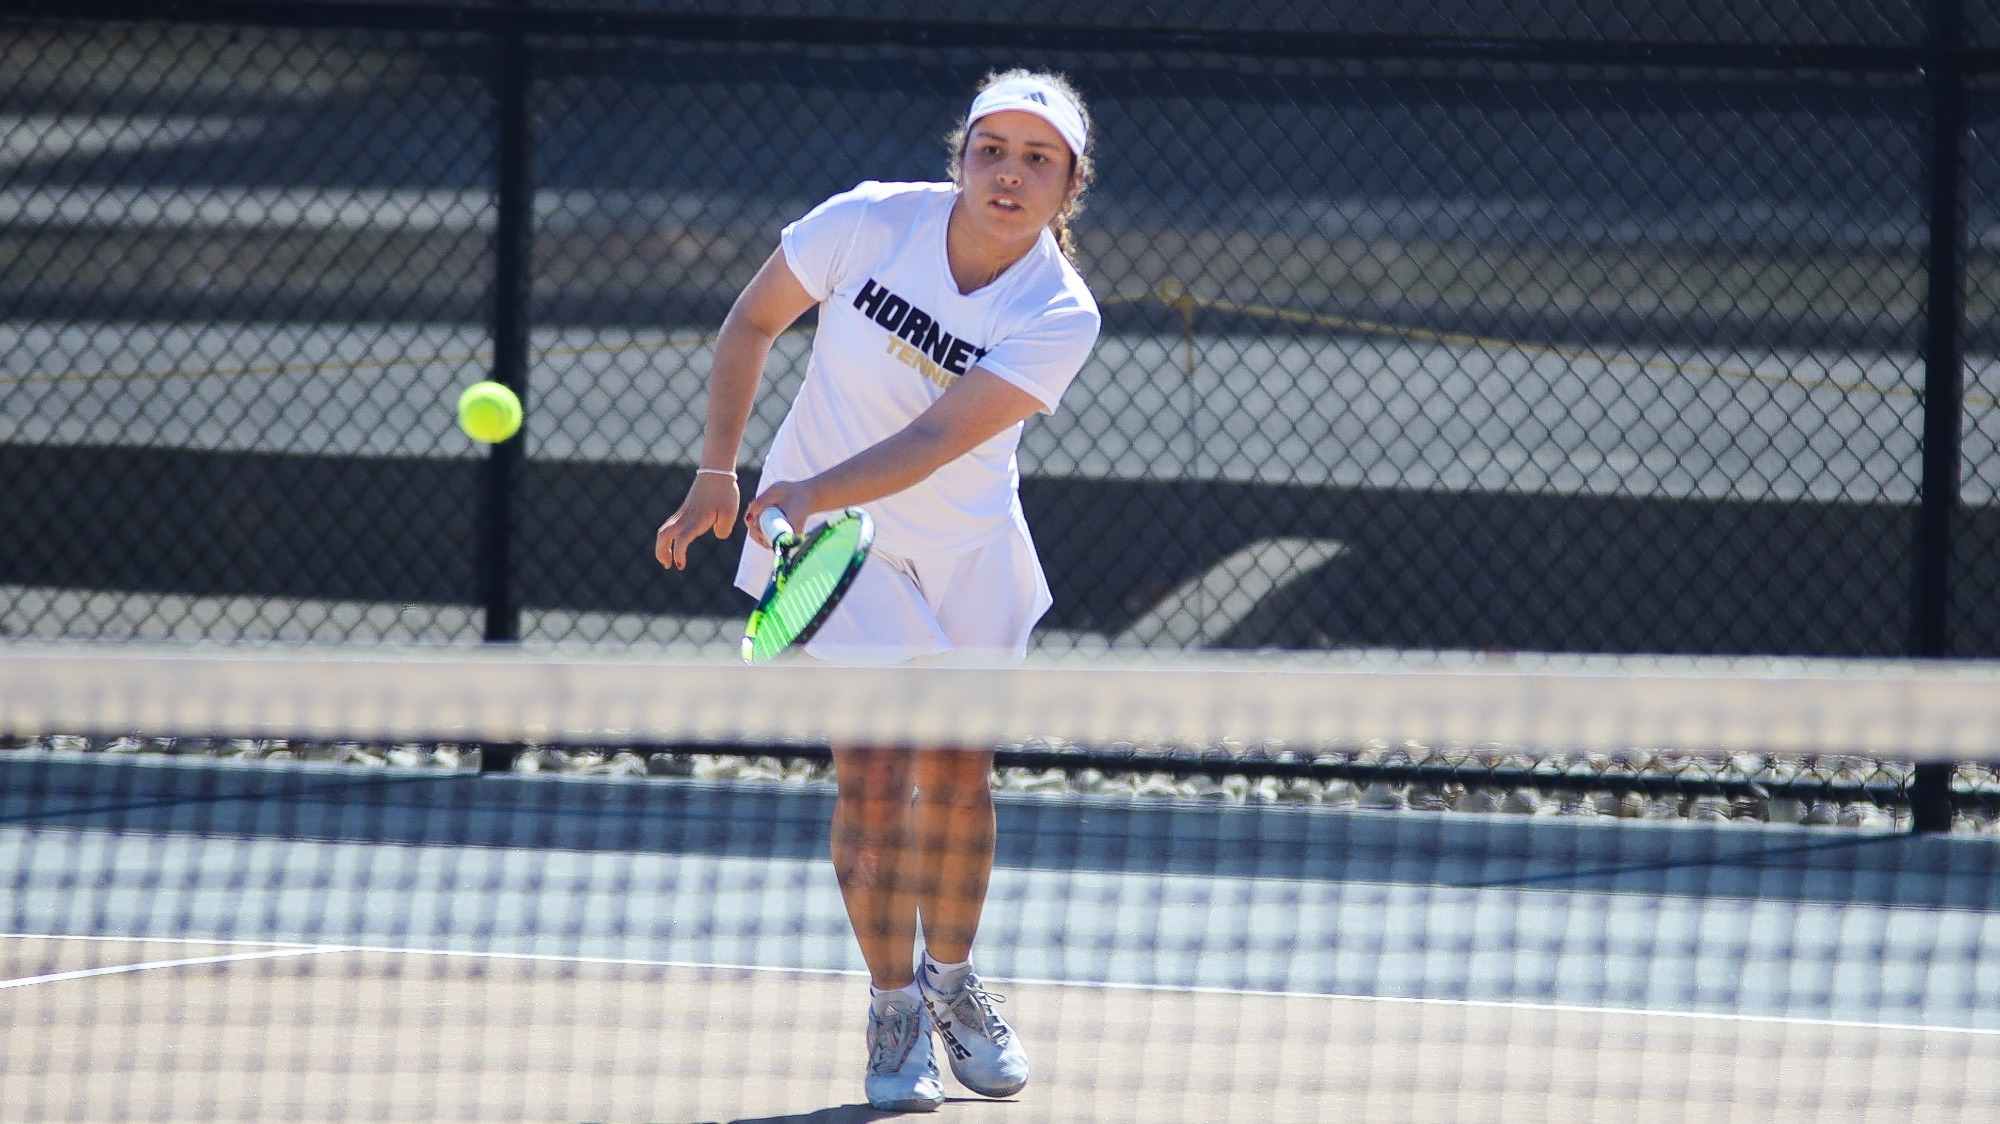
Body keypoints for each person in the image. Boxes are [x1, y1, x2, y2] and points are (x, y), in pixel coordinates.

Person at [653, 70, 1101, 1112]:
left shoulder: (1058, 310)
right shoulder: (865, 222)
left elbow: (941, 436)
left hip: (969, 551)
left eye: (1037, 160)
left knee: (955, 782)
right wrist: (723, 469)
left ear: (1066, 187)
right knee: (873, 776)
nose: (1008, 172)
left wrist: (805, 484)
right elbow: (751, 322)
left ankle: (950, 976)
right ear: (962, 155)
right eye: (992, 148)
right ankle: (892, 999)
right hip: (839, 556)